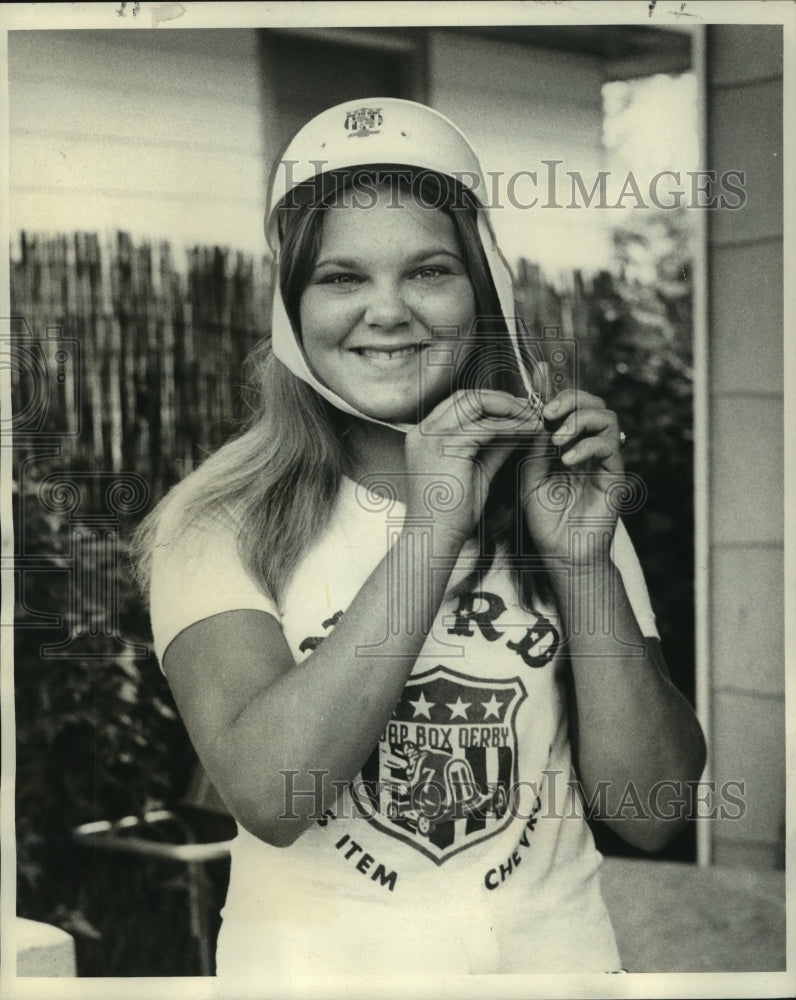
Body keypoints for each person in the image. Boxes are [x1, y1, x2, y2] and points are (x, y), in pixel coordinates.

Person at [136, 98, 706, 978]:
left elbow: (652, 808)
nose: (388, 311)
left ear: (483, 291)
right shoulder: (217, 522)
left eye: (429, 271)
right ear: (291, 307)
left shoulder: (558, 498)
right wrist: (432, 525)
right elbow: (271, 793)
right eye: (342, 277)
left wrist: (584, 564)